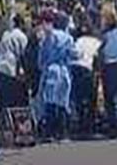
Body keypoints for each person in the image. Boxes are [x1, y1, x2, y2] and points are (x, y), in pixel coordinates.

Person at [36, 11, 77, 142]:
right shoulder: (68, 38)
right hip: (64, 71)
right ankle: (64, 133)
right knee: (63, 102)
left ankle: (50, 133)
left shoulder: (50, 36)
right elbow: (73, 55)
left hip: (51, 70)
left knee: (49, 101)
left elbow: (43, 56)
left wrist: (42, 66)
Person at [0, 13, 29, 123]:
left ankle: (1, 125)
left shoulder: (6, 34)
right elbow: (24, 57)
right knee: (10, 100)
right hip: (8, 71)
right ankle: (10, 126)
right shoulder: (21, 37)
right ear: (21, 24)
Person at [69, 22, 101, 137]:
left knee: (78, 96)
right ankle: (90, 124)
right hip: (87, 68)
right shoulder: (96, 42)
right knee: (91, 96)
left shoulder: (78, 41)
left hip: (75, 67)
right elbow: (98, 57)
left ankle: (81, 121)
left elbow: (74, 54)